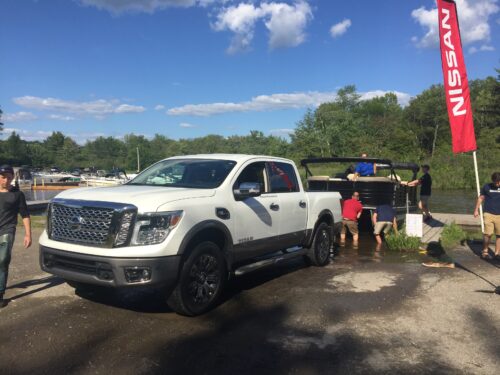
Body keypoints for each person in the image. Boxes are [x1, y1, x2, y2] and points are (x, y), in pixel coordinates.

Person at [0, 165, 32, 308]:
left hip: (7, 230)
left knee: (3, 260)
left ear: (13, 177)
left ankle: (0, 294)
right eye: (3, 177)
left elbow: (25, 215)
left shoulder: (18, 194)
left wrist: (28, 234)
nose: (6, 180)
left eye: (8, 177)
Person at [474, 172, 500, 259]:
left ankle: (497, 253)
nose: (497, 184)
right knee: (488, 234)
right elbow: (481, 198)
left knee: (499, 235)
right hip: (488, 214)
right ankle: (485, 251)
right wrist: (476, 210)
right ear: (492, 180)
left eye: (498, 182)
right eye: (495, 182)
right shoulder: (487, 186)